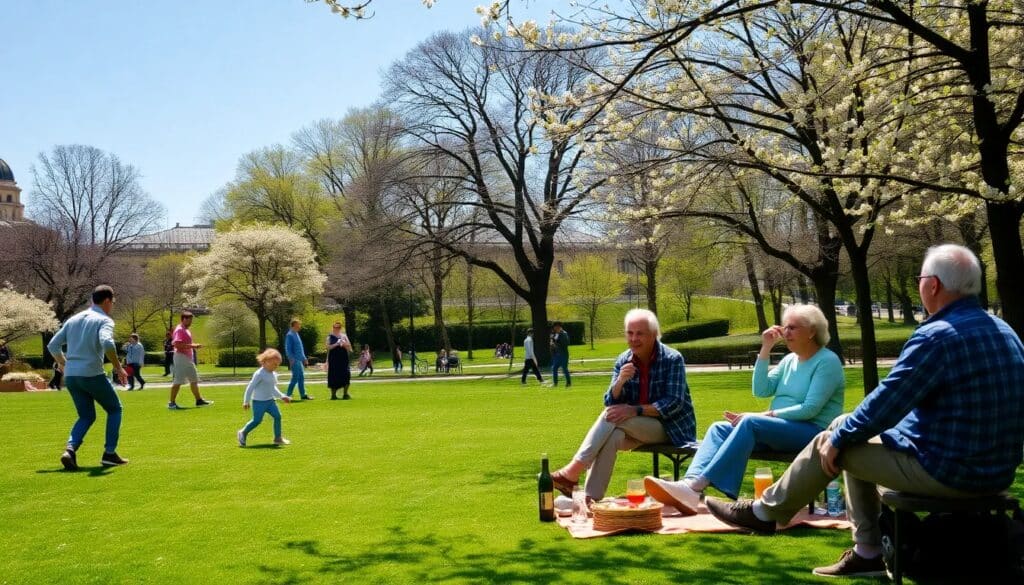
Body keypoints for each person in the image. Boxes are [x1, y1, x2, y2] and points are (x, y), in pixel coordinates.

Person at [704, 244, 1024, 579]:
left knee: (835, 440)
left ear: (933, 286)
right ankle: (865, 550)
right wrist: (847, 430)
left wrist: (840, 437)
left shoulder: (937, 336)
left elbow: (889, 400)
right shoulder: (1005, 331)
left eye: (920, 279)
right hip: (996, 470)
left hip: (951, 472)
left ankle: (766, 513)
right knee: (846, 428)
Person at [645, 305, 845, 514]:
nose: (786, 332)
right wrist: (766, 348)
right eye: (785, 327)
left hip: (814, 432)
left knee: (750, 422)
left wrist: (764, 416)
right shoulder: (789, 360)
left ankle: (695, 487)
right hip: (781, 429)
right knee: (718, 429)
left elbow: (810, 409)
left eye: (792, 328)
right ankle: (690, 485)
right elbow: (761, 389)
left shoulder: (827, 362)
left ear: (812, 332)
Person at [549, 309, 697, 501]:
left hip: (672, 428)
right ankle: (590, 498)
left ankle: (573, 471)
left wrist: (634, 410)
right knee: (613, 434)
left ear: (653, 335)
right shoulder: (623, 360)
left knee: (612, 416)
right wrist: (620, 382)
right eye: (630, 333)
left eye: (640, 333)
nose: (634, 338)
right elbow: (610, 401)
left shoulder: (672, 359)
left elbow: (674, 403)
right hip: (637, 426)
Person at [47, 285, 130, 469]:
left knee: (86, 416)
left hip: (72, 376)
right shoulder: (104, 320)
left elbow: (53, 346)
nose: (112, 306)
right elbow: (108, 343)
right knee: (115, 409)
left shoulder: (73, 319)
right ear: (107, 300)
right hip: (91, 373)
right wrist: (118, 368)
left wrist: (64, 363)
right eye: (113, 302)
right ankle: (109, 453)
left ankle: (70, 449)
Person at [237, 348, 293, 447]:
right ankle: (243, 432)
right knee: (257, 420)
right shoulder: (259, 374)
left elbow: (273, 388)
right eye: (274, 364)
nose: (276, 367)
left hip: (270, 401)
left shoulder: (273, 374)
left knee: (277, 416)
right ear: (265, 362)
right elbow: (250, 387)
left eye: (277, 365)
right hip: (259, 402)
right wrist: (246, 401)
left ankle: (278, 438)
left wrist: (282, 396)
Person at [168, 311, 214, 410]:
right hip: (181, 357)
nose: (191, 322)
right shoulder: (180, 330)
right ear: (184, 319)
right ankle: (171, 403)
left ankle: (199, 400)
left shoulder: (186, 330)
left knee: (194, 379)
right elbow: (176, 344)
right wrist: (193, 345)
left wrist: (192, 346)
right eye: (189, 320)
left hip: (188, 358)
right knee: (178, 381)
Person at [284, 319, 313, 400]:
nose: (299, 326)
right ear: (293, 325)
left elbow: (300, 348)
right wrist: (291, 358)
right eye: (298, 324)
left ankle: (303, 395)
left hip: (299, 360)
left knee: (301, 378)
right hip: (294, 360)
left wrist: (304, 359)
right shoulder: (289, 335)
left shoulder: (296, 334)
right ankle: (287, 395)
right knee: (295, 377)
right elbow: (288, 348)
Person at [326, 321, 352, 400]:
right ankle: (333, 395)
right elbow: (328, 347)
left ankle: (345, 394)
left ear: (340, 328)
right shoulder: (329, 337)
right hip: (334, 359)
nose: (336, 329)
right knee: (333, 375)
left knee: (346, 374)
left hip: (343, 359)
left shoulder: (344, 336)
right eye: (335, 327)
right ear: (333, 327)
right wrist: (336, 344)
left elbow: (350, 348)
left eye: (338, 327)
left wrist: (344, 344)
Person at [550, 321, 571, 387]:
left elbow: (566, 343)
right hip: (557, 355)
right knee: (554, 368)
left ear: (559, 327)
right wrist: (552, 344)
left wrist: (557, 342)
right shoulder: (555, 334)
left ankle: (568, 383)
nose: (555, 329)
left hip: (563, 354)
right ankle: (555, 383)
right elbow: (554, 342)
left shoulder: (564, 333)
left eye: (556, 327)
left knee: (564, 369)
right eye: (554, 327)